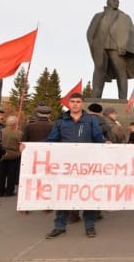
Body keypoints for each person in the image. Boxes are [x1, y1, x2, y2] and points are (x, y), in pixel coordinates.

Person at [44, 93, 105, 239]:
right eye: (72, 101)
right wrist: (29, 147)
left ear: (82, 104)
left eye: (78, 101)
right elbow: (51, 141)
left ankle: (89, 226)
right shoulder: (60, 122)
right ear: (68, 104)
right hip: (66, 167)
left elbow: (98, 138)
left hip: (87, 166)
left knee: (89, 195)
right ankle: (60, 226)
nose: (75, 104)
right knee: (63, 196)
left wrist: (105, 143)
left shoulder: (91, 120)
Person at [86, 0, 134, 99]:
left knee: (120, 70)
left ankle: (123, 98)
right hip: (100, 45)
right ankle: (95, 96)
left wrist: (124, 45)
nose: (117, 3)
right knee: (99, 70)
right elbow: (90, 31)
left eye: (118, 1)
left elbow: (130, 32)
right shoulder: (98, 16)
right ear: (108, 2)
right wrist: (93, 44)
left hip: (116, 46)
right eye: (114, 1)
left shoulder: (124, 17)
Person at [0, 116, 21, 197]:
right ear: (15, 123)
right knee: (12, 175)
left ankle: (0, 192)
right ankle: (9, 192)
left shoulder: (1, 131)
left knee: (1, 174)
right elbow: (21, 145)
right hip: (14, 156)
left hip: (2, 155)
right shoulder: (19, 133)